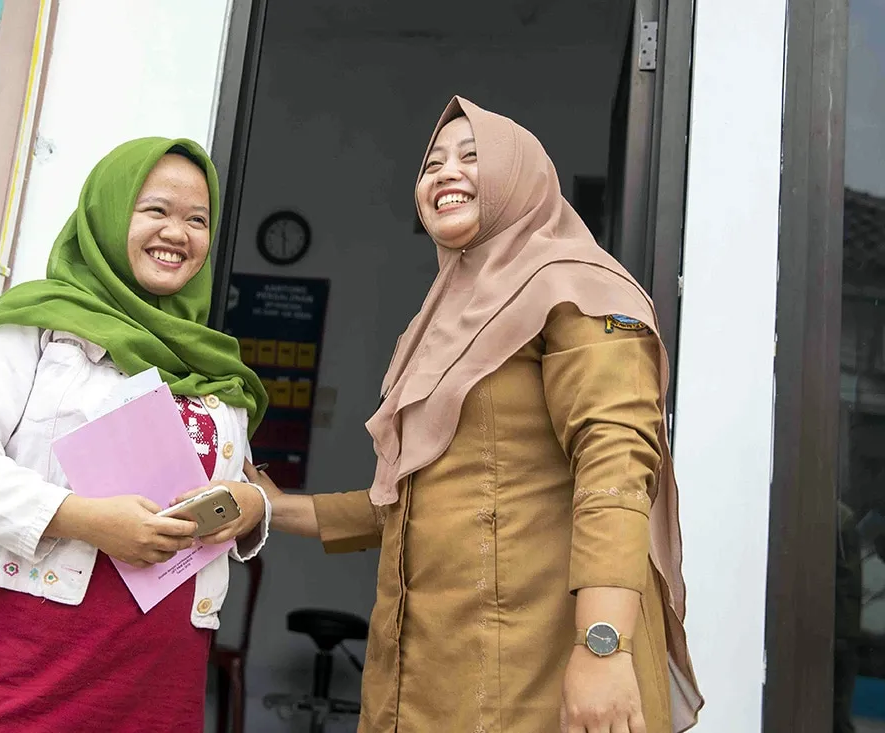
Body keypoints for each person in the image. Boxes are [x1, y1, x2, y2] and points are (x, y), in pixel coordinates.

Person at [245, 97, 704, 732]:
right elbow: (424, 498)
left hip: (531, 669)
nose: (446, 173)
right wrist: (273, 509)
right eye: (432, 163)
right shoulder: (443, 319)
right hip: (430, 669)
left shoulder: (579, 288)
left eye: (473, 157)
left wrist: (604, 646)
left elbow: (617, 470)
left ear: (523, 179)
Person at [0, 137, 271, 733]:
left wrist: (252, 504)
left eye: (197, 219)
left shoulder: (212, 361)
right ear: (107, 213)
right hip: (31, 661)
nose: (177, 233)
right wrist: (82, 518)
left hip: (161, 673)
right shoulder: (38, 327)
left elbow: (243, 480)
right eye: (155, 210)